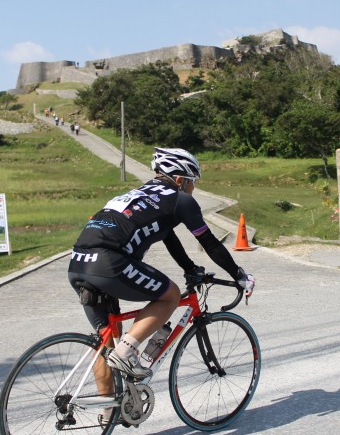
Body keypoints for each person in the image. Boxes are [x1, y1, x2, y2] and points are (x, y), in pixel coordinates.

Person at [68, 147, 255, 385]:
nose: (193, 188)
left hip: (77, 263)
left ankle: (108, 414)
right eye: (192, 182)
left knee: (105, 343)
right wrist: (239, 275)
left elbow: (169, 237)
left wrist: (189, 267)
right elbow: (209, 242)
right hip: (109, 263)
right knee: (171, 296)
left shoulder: (140, 196)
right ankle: (126, 352)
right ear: (179, 179)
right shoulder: (181, 200)